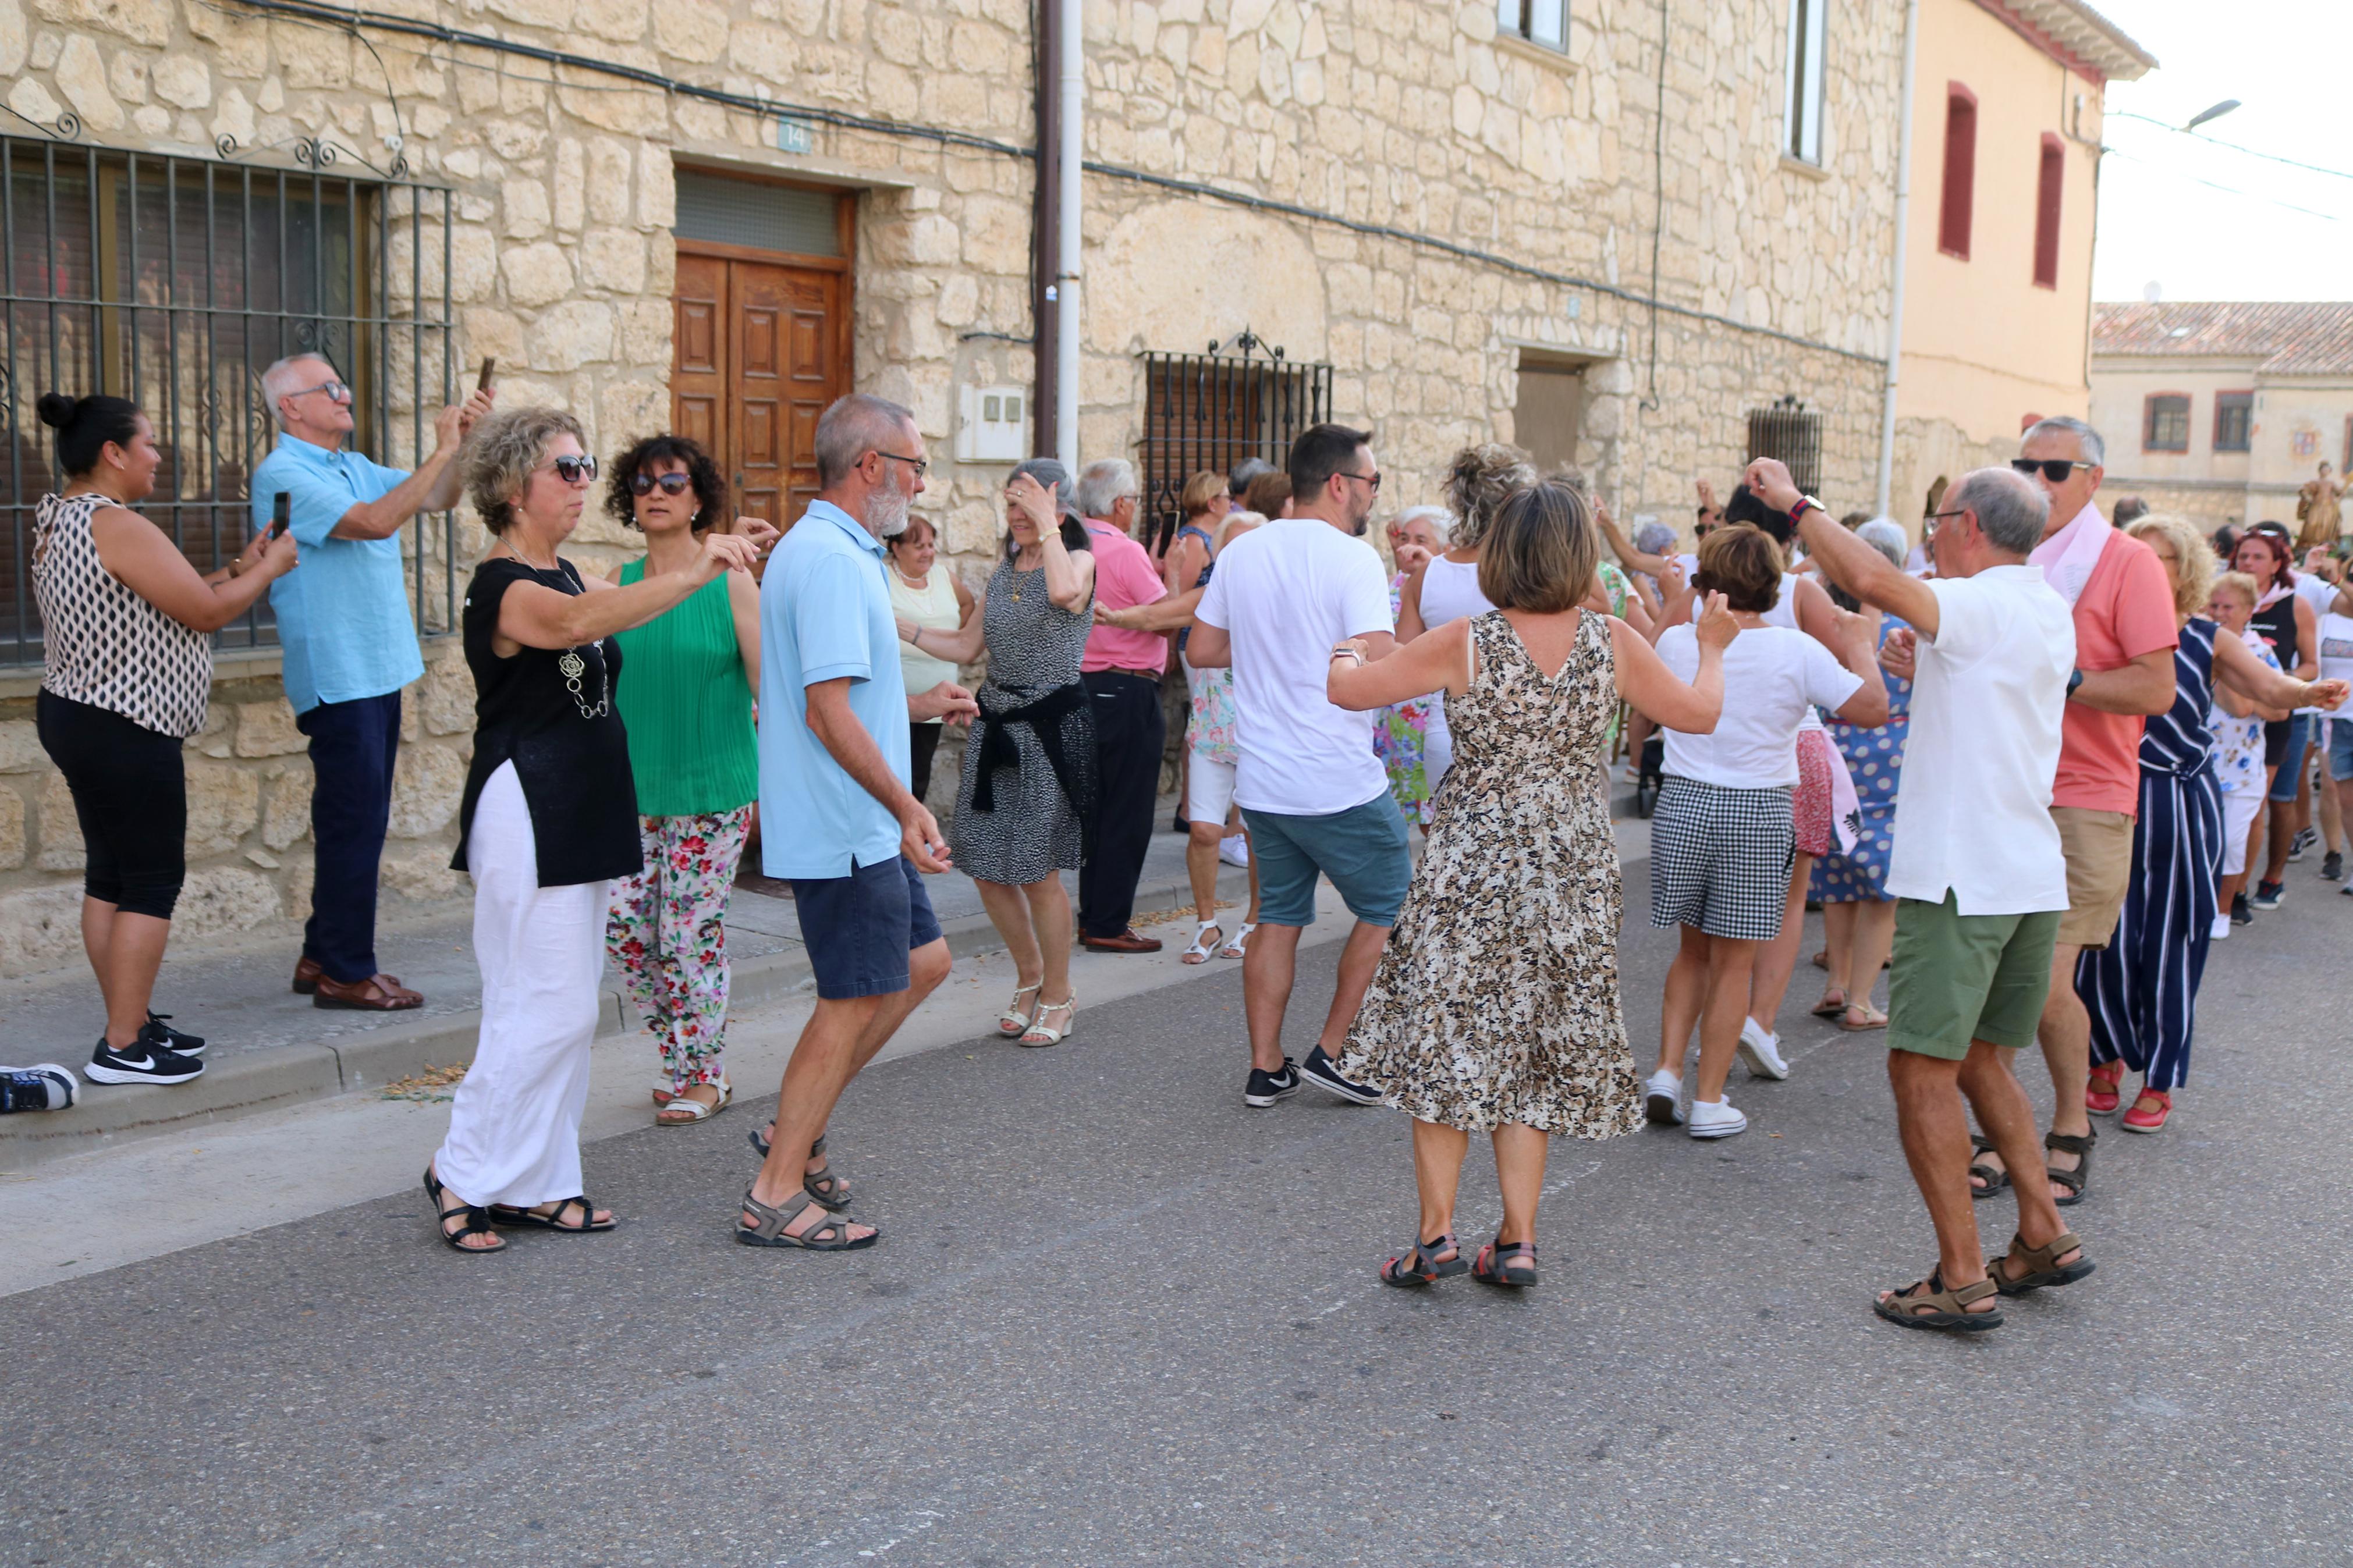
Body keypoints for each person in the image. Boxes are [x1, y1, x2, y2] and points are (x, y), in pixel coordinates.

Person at [1328, 480, 1737, 1288]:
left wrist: (1349, 645)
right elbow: (1696, 714)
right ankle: (1516, 1239)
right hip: (1571, 868)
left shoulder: (1465, 640)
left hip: (1471, 862)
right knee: (1535, 1049)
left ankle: (1436, 1236)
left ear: (1501, 554)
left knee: (1450, 1040)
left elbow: (1348, 690)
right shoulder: (1611, 639)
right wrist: (1714, 646)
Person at [425, 407, 761, 1254]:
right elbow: (577, 627)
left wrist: (711, 555)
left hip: (577, 805)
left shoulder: (570, 571)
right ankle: (463, 1170)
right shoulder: (505, 585)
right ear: (511, 487)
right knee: (531, 1003)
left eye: (583, 466)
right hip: (529, 803)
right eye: (565, 468)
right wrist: (700, 567)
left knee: (567, 1007)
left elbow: (623, 606)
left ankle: (536, 1180)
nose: (584, 481)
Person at [1770, 459, 2091, 1333]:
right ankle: (2041, 1229)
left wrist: (1793, 502)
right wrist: (1927, 671)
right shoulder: (2039, 603)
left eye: (1939, 516)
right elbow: (1992, 698)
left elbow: (1868, 576)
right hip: (2025, 869)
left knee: (1920, 1068)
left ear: (1968, 526)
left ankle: (1958, 1274)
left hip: (1963, 873)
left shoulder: (1982, 599)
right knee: (1985, 1060)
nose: (1933, 530)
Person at [739, 393, 970, 1253]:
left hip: (857, 820)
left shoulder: (829, 548)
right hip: (847, 821)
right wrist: (908, 804)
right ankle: (775, 1189)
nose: (919, 481)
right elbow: (824, 712)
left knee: (922, 963)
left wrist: (913, 701)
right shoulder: (835, 561)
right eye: (913, 465)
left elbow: (841, 694)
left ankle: (798, 1129)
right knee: (850, 999)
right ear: (870, 465)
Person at [31, 392, 298, 1086]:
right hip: (125, 723)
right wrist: (268, 573)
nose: (158, 455)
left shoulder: (60, 516)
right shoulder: (118, 524)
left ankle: (132, 1018)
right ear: (113, 453)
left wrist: (240, 569)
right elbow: (205, 615)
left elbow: (167, 598)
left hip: (78, 712)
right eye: (148, 443)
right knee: (151, 881)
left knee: (111, 876)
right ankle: (123, 1047)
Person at [1961, 416, 2176, 1208]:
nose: (2037, 479)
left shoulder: (2126, 563)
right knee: (1991, 970)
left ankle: (2066, 1127)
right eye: (2023, 464)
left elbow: (2156, 686)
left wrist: (2064, 677)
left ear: (2092, 479)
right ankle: (1996, 1125)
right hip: (2002, 784)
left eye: (2054, 467)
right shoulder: (1999, 564)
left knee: (2044, 972)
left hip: (2085, 792)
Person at [2081, 516, 2345, 1136]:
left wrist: (2308, 695)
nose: (2145, 568)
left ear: (2186, 570)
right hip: (2104, 796)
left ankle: (2157, 1077)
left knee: (2171, 938)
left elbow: (2269, 687)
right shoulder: (2091, 633)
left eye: (2162, 559)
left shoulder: (2204, 636)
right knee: (2103, 937)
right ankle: (2104, 1055)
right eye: (2135, 556)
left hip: (2176, 796)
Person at [250, 354, 493, 1012]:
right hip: (339, 674)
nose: (345, 391)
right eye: (327, 388)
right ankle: (347, 972)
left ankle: (320, 953)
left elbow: (436, 497)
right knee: (354, 824)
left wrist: (462, 446)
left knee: (356, 820)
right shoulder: (284, 472)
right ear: (291, 408)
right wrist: (441, 447)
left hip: (378, 667)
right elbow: (378, 522)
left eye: (342, 380)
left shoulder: (351, 467)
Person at [1641, 524, 1886, 1139]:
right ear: (1774, 585)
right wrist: (1861, 645)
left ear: (1704, 584)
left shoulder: (1675, 642)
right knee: (1733, 963)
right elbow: (1870, 708)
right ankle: (1708, 1098)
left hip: (1684, 800)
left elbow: (1638, 710)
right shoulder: (1795, 650)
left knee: (1690, 951)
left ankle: (1666, 1072)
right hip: (1756, 808)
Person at [1190, 423, 1407, 1109]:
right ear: (1339, 484)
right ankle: (1335, 1053)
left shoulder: (1243, 550)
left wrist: (1272, 652)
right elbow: (1377, 657)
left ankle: (1266, 1067)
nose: (1373, 496)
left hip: (1263, 781)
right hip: (1337, 777)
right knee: (1393, 908)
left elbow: (1200, 648)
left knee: (1277, 917)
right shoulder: (1353, 559)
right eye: (1371, 482)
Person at [601, 434, 776, 1128]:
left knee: (687, 931)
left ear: (698, 497)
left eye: (671, 482)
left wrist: (778, 784)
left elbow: (767, 685)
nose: (655, 493)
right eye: (642, 483)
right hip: (633, 789)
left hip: (713, 782)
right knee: (625, 931)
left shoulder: (732, 580)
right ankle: (680, 1054)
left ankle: (704, 1073)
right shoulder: (616, 584)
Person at [910, 459, 1097, 1046]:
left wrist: (1047, 524)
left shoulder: (1080, 562)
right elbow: (967, 644)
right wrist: (896, 625)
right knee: (986, 866)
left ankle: (1061, 994)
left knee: (1037, 872)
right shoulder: (1003, 573)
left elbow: (1066, 592)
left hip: (1049, 733)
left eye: (1027, 502)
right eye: (1009, 503)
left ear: (1056, 505)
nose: (1014, 515)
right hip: (997, 727)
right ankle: (1029, 976)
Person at [1101, 510, 1269, 961]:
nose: (1241, 556)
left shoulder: (1281, 598)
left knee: (1257, 835)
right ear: (1219, 554)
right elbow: (1158, 613)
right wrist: (1113, 617)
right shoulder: (1212, 596)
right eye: (1232, 547)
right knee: (1203, 831)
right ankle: (1207, 923)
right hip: (1212, 732)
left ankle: (1254, 922)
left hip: (1263, 737)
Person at [1809, 520, 1915, 1032]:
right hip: (1892, 753)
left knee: (1837, 871)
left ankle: (1835, 981)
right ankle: (1861, 999)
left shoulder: (1827, 618)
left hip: (1836, 748)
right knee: (1882, 887)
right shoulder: (1906, 623)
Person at [1396, 443, 1536, 800]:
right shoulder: (1527, 574)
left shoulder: (1426, 575)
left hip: (1445, 734)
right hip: (1518, 737)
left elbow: (1401, 661)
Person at [1069, 458, 1169, 954]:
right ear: (1121, 504)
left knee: (1095, 810)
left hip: (1079, 689)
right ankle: (1107, 923)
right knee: (1125, 814)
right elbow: (1163, 617)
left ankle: (1094, 917)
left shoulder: (1069, 545)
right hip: (1126, 689)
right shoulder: (1125, 551)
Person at [2234, 528, 2316, 911]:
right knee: (2235, 805)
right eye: (2242, 556)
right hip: (2229, 717)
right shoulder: (2221, 600)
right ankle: (2229, 890)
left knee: (2267, 803)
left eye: (2257, 557)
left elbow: (2311, 665)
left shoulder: (2294, 606)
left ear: (2278, 564)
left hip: (2277, 716)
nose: (2247, 563)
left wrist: (2275, 681)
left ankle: (2268, 878)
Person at [2205, 572, 2285, 930]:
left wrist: (2222, 671)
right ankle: (2195, 908)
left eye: (2229, 607)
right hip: (2200, 763)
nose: (2220, 612)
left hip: (2242, 767)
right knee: (2201, 843)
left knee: (2232, 844)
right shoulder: (2195, 643)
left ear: (2249, 611)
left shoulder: (2260, 652)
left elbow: (2278, 709)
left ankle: (2222, 911)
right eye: (2215, 605)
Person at [886, 513, 978, 805]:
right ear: (896, 548)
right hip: (895, 697)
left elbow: (968, 604)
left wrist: (956, 642)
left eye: (930, 544)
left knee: (918, 775)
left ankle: (909, 843)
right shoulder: (881, 576)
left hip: (938, 698)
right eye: (919, 546)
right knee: (889, 775)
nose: (928, 552)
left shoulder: (943, 576)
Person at [1374, 506, 1451, 830]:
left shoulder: (1445, 584)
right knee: (1400, 808)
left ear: (1444, 549)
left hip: (1430, 712)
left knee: (1433, 812)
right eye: (1405, 538)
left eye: (1422, 539)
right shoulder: (1394, 582)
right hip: (1395, 713)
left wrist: (1430, 567)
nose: (1410, 546)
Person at [1162, 469, 1231, 597]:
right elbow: (1178, 597)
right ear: (1212, 503)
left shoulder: (1205, 536)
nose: (1231, 504)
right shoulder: (1194, 541)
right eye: (1227, 498)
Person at [2295, 461, 2344, 554]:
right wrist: (2308, 497)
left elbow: (2340, 492)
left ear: (2330, 471)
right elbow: (2303, 490)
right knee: (2312, 524)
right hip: (2316, 506)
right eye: (2323, 469)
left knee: (2326, 526)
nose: (2325, 471)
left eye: (2327, 469)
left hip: (2328, 508)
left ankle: (2324, 546)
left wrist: (2338, 499)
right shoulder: (2315, 482)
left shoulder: (2331, 483)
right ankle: (2310, 545)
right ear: (2320, 470)